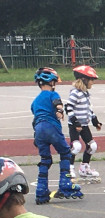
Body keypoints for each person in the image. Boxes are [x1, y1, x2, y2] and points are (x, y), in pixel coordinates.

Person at [30, 67, 81, 204]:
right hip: (51, 127)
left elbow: (35, 119)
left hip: (39, 130)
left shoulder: (35, 101)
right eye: (55, 82)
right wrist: (59, 111)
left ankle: (41, 191)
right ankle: (65, 185)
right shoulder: (53, 94)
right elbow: (57, 103)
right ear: (51, 82)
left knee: (45, 159)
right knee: (66, 153)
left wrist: (37, 136)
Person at [66, 65, 103, 184]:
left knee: (92, 146)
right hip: (74, 125)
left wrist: (95, 120)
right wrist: (75, 121)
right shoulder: (75, 93)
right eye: (91, 80)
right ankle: (69, 168)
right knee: (76, 146)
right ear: (84, 79)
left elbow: (88, 109)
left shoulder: (85, 94)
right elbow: (68, 107)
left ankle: (84, 167)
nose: (93, 83)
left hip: (84, 125)